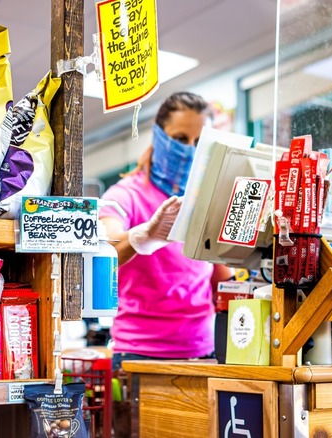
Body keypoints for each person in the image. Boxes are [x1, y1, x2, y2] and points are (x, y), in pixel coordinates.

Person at [99, 92, 233, 371]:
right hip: (139, 353)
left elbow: (220, 277)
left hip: (202, 350)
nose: (189, 149)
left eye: (199, 143)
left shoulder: (203, 199)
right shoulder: (126, 195)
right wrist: (143, 236)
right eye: (180, 139)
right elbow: (105, 252)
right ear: (159, 136)